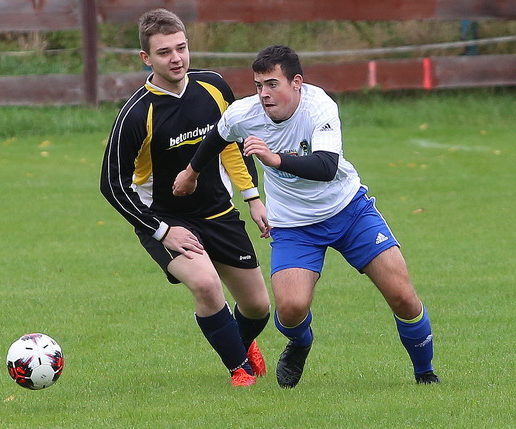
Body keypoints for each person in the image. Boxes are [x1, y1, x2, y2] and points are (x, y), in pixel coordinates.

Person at [174, 45, 440, 388]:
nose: (264, 94)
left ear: (296, 82)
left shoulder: (319, 106)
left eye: (273, 84)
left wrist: (274, 159)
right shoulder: (244, 114)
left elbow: (327, 167)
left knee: (402, 295)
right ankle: (301, 342)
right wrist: (191, 174)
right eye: (258, 85)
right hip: (293, 225)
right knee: (290, 309)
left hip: (349, 211)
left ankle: (425, 373)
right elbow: (216, 138)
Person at [99, 9, 271, 387]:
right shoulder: (135, 114)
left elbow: (232, 143)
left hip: (218, 212)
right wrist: (162, 231)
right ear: (146, 58)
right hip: (166, 219)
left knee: (258, 307)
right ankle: (239, 370)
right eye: (164, 52)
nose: (176, 58)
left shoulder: (213, 86)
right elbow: (112, 184)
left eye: (181, 48)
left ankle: (238, 343)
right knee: (206, 285)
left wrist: (252, 196)